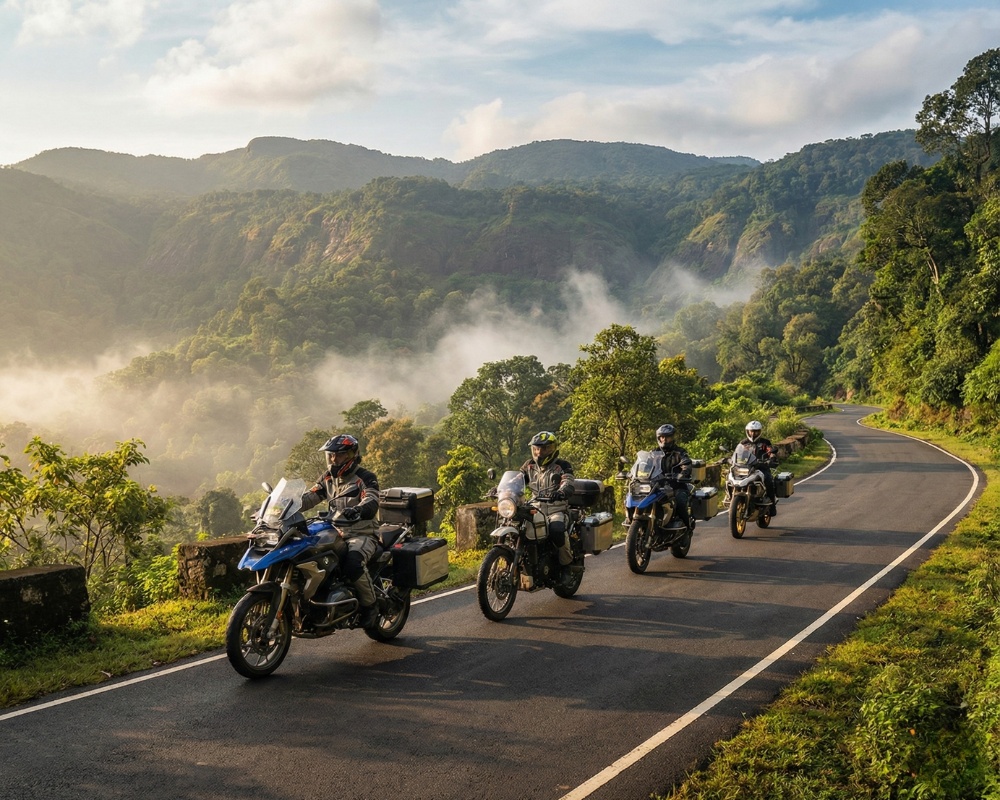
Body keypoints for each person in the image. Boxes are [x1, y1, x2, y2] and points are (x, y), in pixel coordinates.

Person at [300, 433, 381, 629]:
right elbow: (309, 498)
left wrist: (359, 509)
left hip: (362, 533)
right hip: (333, 531)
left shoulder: (365, 478)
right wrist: (284, 506)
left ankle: (371, 607)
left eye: (339, 455)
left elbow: (371, 500)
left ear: (352, 455)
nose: (334, 459)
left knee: (353, 563)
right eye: (331, 455)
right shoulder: (327, 478)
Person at [518, 431, 578, 586]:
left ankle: (567, 566)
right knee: (516, 526)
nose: (539, 452)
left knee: (557, 530)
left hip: (556, 509)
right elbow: (516, 480)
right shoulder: (529, 465)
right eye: (537, 449)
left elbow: (568, 481)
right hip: (535, 508)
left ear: (552, 448)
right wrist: (500, 489)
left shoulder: (562, 465)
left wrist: (561, 491)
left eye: (544, 449)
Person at [655, 424, 694, 531]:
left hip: (677, 485)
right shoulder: (654, 453)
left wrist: (683, 473)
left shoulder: (680, 452)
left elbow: (686, 463)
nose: (664, 439)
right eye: (662, 437)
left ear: (672, 437)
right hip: (658, 486)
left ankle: (687, 527)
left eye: (667, 437)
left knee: (680, 502)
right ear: (658, 438)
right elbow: (644, 464)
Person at [740, 420, 777, 511]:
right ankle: (732, 498)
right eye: (751, 431)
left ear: (759, 432)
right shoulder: (743, 443)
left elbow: (771, 451)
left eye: (755, 432)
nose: (753, 434)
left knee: (769, 481)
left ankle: (772, 506)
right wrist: (728, 458)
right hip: (745, 468)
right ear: (747, 431)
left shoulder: (765, 442)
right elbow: (737, 453)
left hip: (761, 467)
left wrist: (771, 458)